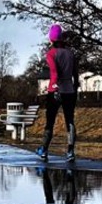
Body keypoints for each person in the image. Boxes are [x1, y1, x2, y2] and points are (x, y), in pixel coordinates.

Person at [36, 23, 80, 162]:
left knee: (50, 121)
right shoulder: (70, 54)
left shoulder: (51, 54)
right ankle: (70, 152)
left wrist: (54, 87)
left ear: (51, 39)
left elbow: (54, 72)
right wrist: (74, 87)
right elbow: (75, 74)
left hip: (55, 90)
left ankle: (44, 150)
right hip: (69, 90)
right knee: (70, 120)